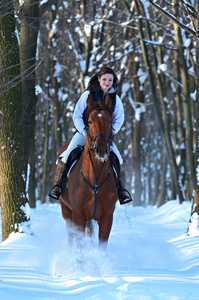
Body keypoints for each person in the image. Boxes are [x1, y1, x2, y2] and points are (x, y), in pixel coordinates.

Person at [48, 67, 132, 204]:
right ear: (99, 79)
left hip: (105, 137)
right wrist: (85, 132)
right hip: (85, 134)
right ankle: (57, 186)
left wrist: (109, 134)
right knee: (66, 154)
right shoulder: (87, 95)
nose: (107, 82)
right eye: (104, 79)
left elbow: (119, 119)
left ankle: (122, 191)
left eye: (110, 80)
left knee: (119, 160)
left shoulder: (115, 99)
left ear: (113, 81)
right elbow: (77, 115)